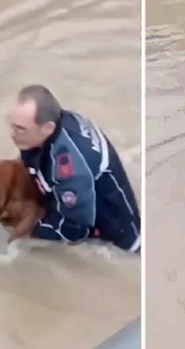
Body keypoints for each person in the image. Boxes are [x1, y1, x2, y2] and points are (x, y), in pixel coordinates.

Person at [8, 85, 142, 253]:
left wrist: (27, 233)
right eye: (12, 125)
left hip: (116, 236)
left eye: (20, 129)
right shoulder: (56, 122)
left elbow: (74, 230)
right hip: (81, 197)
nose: (12, 134)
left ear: (47, 128)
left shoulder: (71, 171)